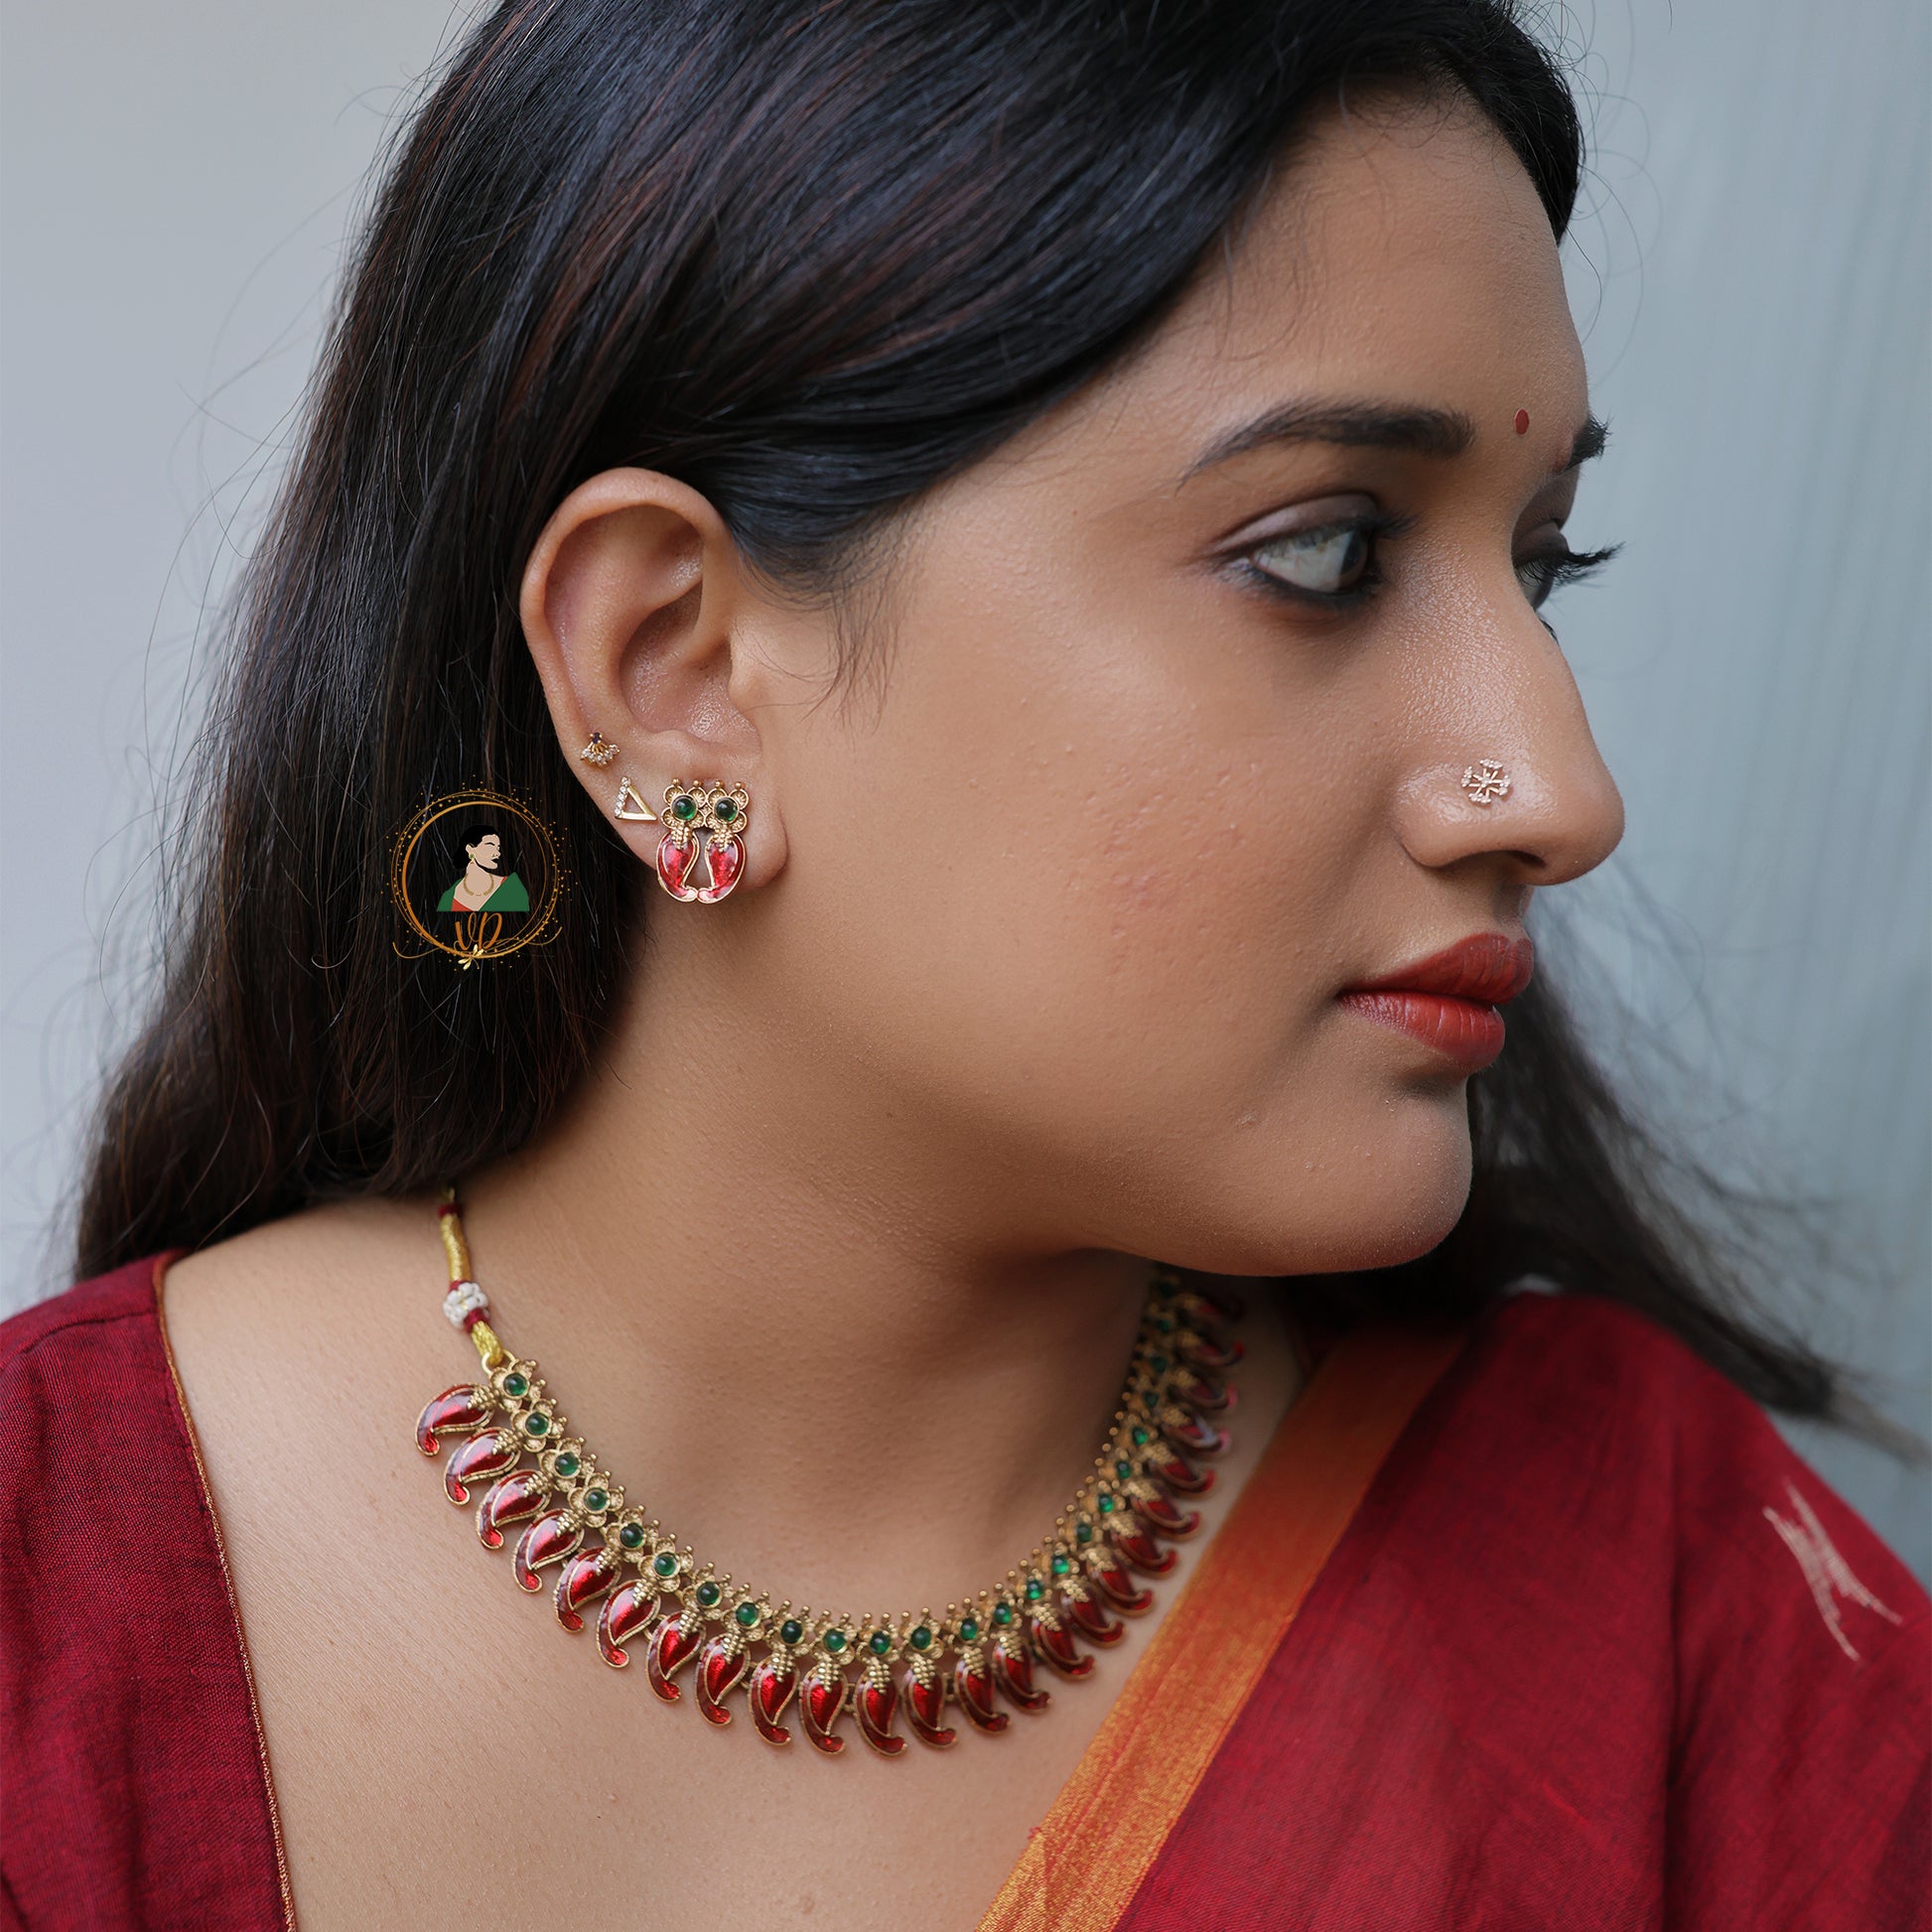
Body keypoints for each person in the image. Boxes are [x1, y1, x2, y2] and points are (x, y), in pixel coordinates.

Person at [2, 3, 1924, 1927]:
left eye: (1541, 566)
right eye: (1324, 556)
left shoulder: (1676, 1619)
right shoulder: (52, 1609)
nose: (1562, 793)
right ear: (676, 675)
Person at [436, 825, 530, 916]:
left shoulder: (512, 887)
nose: (497, 853)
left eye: (498, 848)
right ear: (470, 849)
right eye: (490, 845)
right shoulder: (449, 897)